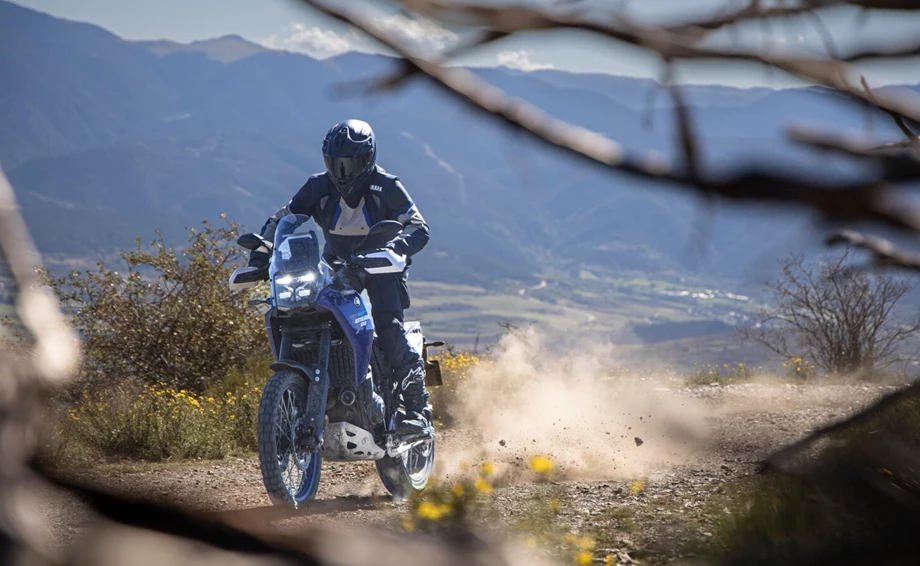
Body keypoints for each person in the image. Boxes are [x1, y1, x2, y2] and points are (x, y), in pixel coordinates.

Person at [247, 119, 431, 437]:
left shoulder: (387, 186)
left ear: (368, 159)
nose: (342, 172)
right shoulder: (317, 186)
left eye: (350, 164)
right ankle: (326, 389)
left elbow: (418, 227)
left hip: (381, 268)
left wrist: (398, 249)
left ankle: (417, 410)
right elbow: (282, 219)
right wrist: (263, 253)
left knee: (388, 329)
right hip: (334, 267)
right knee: (308, 315)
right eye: (336, 164)